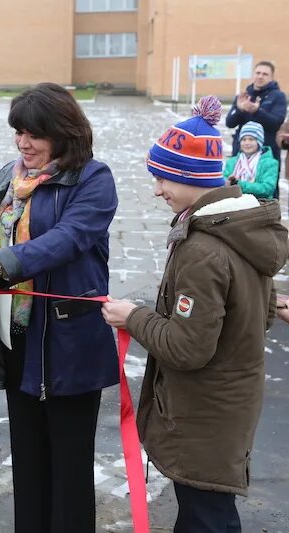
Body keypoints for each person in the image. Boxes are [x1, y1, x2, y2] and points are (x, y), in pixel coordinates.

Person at [0, 83, 118, 532]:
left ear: (64, 133)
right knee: (28, 466)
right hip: (17, 340)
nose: (23, 143)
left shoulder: (93, 178)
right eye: (18, 132)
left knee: (69, 474)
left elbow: (68, 239)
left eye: (35, 134)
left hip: (68, 345)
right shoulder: (8, 177)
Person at [102, 96, 288, 532]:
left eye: (162, 177)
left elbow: (187, 348)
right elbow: (255, 317)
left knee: (207, 518)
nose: (156, 189)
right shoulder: (241, 228)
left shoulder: (203, 250)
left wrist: (133, 316)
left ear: (189, 177)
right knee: (206, 513)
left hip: (205, 412)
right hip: (228, 405)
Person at [225, 61, 287, 195]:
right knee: (236, 188)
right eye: (258, 73)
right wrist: (240, 109)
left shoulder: (278, 97)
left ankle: (269, 214)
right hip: (241, 151)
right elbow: (229, 122)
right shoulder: (243, 96)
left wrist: (257, 111)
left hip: (265, 153)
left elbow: (276, 122)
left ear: (272, 77)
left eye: (265, 74)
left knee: (267, 189)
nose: (260, 76)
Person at [223, 121, 279, 198]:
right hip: (234, 203)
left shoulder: (270, 163)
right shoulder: (232, 162)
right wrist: (227, 182)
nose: (247, 143)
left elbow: (267, 189)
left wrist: (239, 185)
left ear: (259, 142)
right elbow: (223, 180)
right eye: (243, 139)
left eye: (251, 139)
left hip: (260, 205)